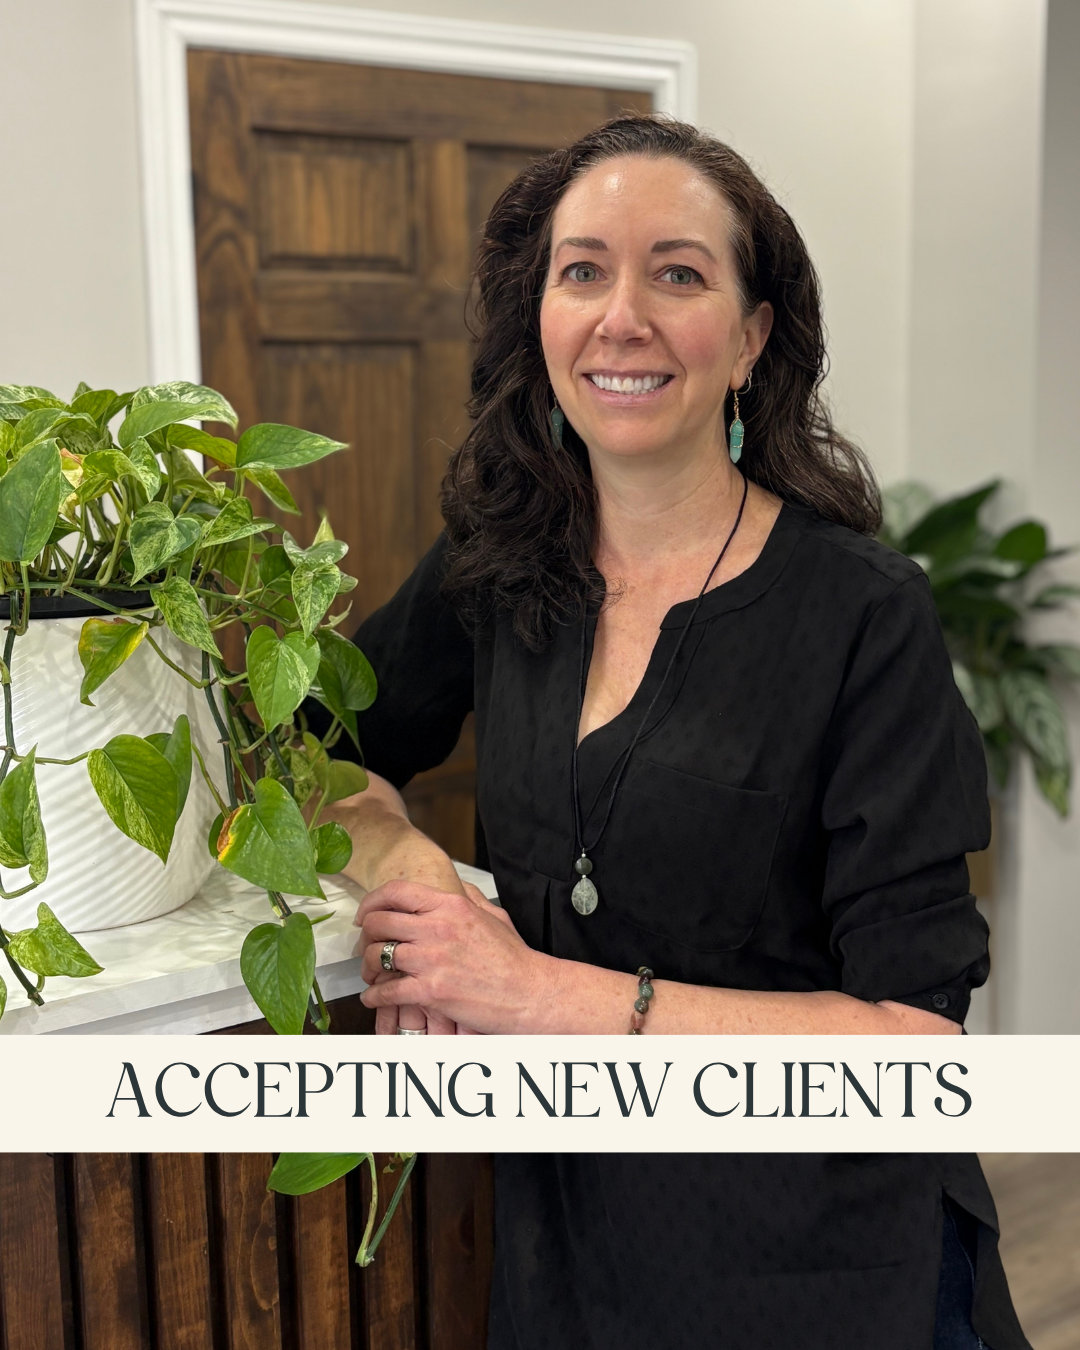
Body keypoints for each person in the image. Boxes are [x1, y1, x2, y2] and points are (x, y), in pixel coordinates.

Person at [313, 115, 1029, 1350]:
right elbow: (317, 757)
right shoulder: (497, 571)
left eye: (679, 273)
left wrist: (536, 993)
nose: (620, 316)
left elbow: (913, 1041)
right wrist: (418, 874)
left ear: (752, 338)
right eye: (582, 270)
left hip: (819, 1269)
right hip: (570, 1256)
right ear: (537, 320)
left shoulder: (865, 615)